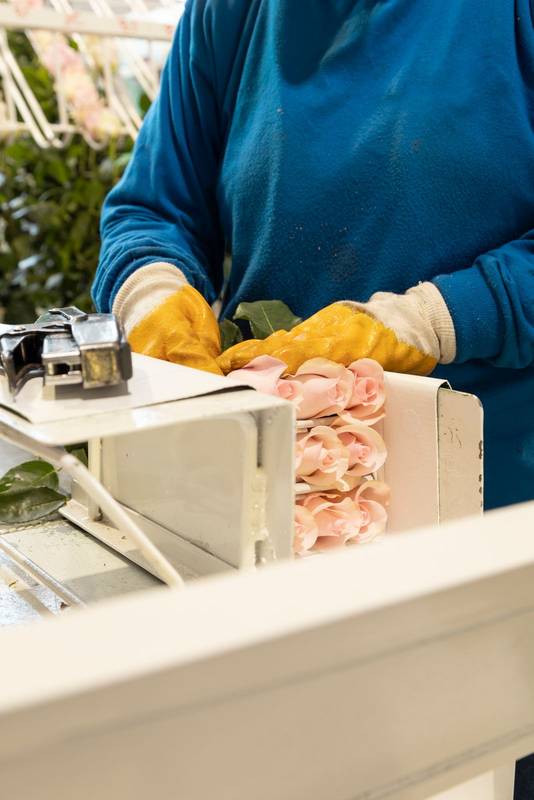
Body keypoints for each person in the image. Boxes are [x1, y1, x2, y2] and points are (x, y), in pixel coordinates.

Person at [93, 3, 534, 793]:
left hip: (494, 519)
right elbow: (149, 209)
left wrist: (428, 321)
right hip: (277, 527)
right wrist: (154, 293)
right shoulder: (229, 13)